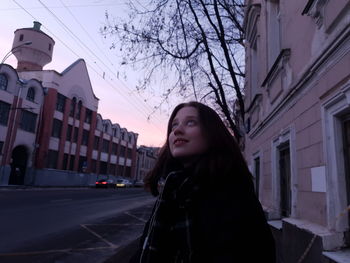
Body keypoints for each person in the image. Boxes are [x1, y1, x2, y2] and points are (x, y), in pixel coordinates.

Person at [131, 101, 276, 263]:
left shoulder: (232, 194)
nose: (177, 130)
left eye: (191, 122)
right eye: (174, 126)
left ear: (212, 133)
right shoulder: (172, 191)